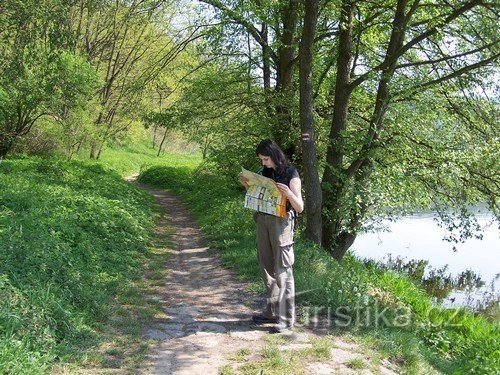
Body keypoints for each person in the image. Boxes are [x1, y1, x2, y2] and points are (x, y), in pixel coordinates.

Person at [239, 139, 304, 333]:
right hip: (263, 220)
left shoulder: (291, 173)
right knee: (266, 267)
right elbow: (261, 195)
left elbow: (300, 207)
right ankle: (271, 311)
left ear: (274, 155)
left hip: (281, 224)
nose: (263, 163)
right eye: (261, 160)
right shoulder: (265, 172)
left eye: (265, 159)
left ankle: (286, 319)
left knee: (283, 269)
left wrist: (289, 195)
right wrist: (248, 186)